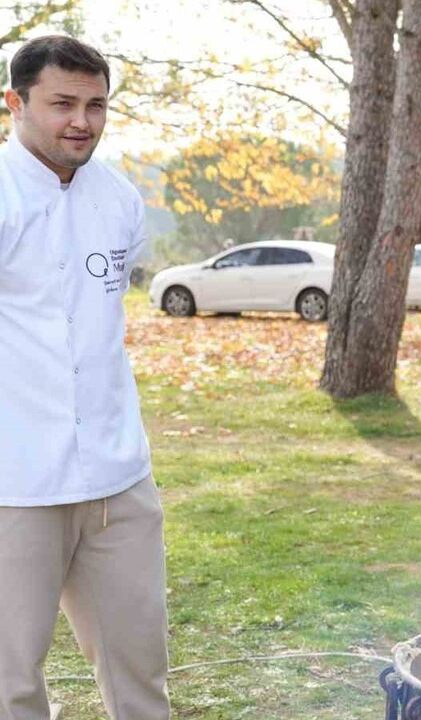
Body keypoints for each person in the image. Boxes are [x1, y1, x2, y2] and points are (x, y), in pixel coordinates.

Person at [0, 37, 169, 719]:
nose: (82, 121)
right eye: (62, 103)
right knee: (9, 684)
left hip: (118, 480)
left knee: (141, 677)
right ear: (15, 104)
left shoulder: (119, 198)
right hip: (15, 484)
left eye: (96, 105)